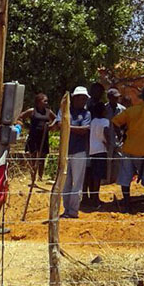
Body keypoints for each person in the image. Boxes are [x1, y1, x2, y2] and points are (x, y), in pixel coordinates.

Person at [56, 86, 91, 219]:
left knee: (77, 183)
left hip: (79, 151)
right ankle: (66, 210)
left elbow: (85, 130)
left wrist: (67, 127)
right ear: (74, 98)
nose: (83, 101)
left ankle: (73, 211)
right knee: (65, 182)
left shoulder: (86, 114)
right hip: (65, 150)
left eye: (85, 99)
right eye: (81, 98)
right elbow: (59, 124)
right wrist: (74, 128)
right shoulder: (65, 110)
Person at [18, 93, 55, 181]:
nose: (46, 102)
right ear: (39, 102)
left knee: (42, 157)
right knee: (33, 156)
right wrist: (25, 126)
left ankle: (40, 177)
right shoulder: (32, 111)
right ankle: (32, 176)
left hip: (43, 137)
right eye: (44, 101)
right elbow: (20, 117)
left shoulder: (48, 112)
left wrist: (50, 126)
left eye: (47, 101)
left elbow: (56, 120)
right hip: (33, 136)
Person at [86, 100, 110, 208]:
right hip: (101, 149)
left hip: (92, 150)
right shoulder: (105, 121)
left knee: (93, 174)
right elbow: (106, 132)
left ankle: (93, 197)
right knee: (98, 176)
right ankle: (96, 199)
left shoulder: (93, 121)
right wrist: (108, 142)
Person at [106, 87, 126, 185]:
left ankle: (116, 181)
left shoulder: (122, 109)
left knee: (119, 160)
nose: (116, 99)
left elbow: (126, 124)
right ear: (109, 98)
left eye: (117, 97)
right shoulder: (104, 109)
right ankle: (107, 181)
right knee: (108, 161)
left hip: (119, 140)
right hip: (107, 140)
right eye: (114, 97)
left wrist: (123, 136)